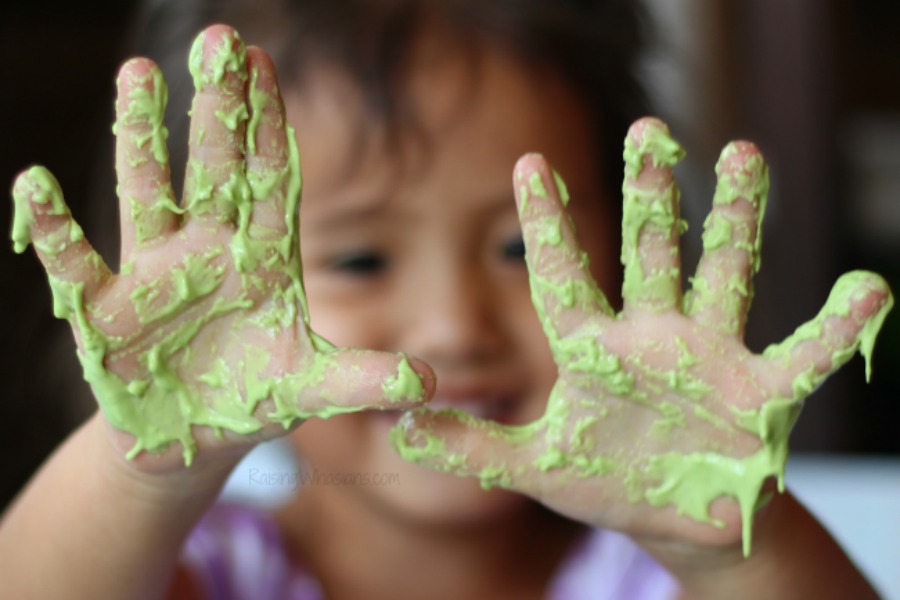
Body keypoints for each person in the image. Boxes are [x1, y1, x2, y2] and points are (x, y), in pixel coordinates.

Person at [1, 1, 892, 598]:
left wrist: (729, 537)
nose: (454, 327)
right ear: (190, 302)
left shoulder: (651, 575)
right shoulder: (213, 570)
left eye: (519, 247)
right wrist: (142, 456)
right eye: (359, 259)